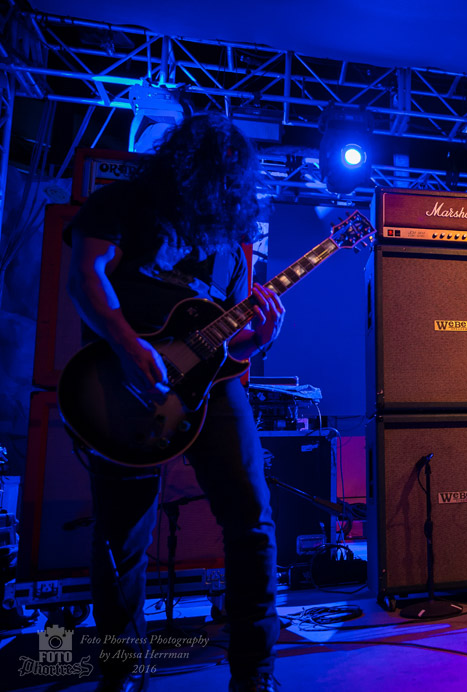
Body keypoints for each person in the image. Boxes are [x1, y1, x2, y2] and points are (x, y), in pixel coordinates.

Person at [65, 113, 282, 692]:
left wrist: (257, 339)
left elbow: (227, 345)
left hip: (210, 390)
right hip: (121, 380)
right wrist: (129, 345)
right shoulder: (124, 203)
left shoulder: (234, 245)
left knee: (253, 522)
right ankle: (122, 673)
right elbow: (86, 275)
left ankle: (254, 672)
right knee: (121, 536)